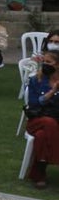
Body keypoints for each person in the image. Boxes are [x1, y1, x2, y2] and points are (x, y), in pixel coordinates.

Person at [25, 51, 59, 188]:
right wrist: (52, 92)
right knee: (49, 122)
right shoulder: (36, 80)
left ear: (57, 65)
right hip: (37, 120)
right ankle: (56, 158)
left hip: (56, 121)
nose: (45, 64)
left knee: (41, 136)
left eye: (49, 62)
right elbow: (33, 104)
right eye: (43, 61)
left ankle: (38, 175)